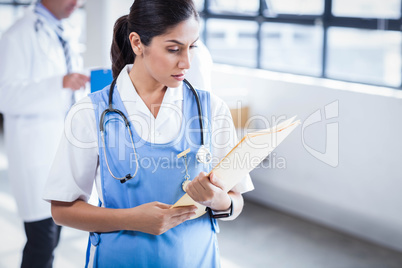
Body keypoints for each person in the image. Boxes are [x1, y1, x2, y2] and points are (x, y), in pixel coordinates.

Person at [43, 0, 253, 267]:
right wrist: (132, 219)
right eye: (174, 49)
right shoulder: (89, 113)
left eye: (192, 47)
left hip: (196, 259)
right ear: (137, 43)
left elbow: (236, 201)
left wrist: (217, 199)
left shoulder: (212, 109)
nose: (187, 62)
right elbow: (62, 210)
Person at [0, 0, 89, 267]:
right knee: (42, 238)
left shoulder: (65, 30)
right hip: (35, 151)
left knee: (54, 233)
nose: (77, 2)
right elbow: (5, 96)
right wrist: (59, 83)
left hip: (62, 149)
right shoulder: (18, 35)